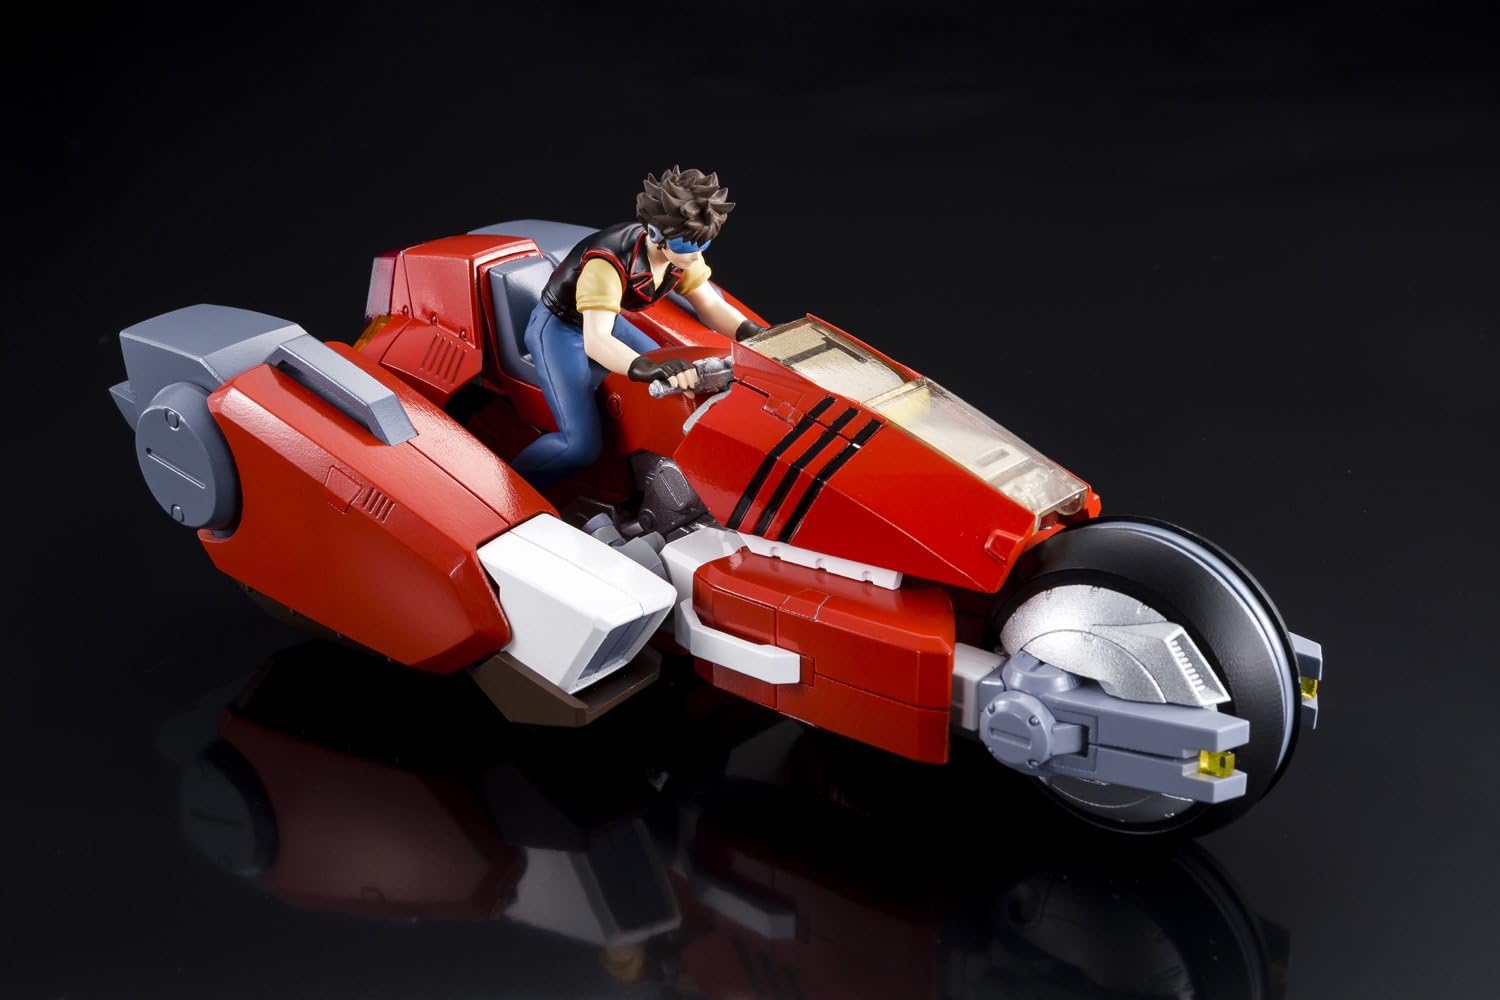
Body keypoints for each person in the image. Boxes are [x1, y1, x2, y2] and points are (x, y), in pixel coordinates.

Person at [512, 167, 767, 487]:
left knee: (682, 382)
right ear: (657, 235)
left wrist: (751, 332)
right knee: (578, 447)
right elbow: (596, 341)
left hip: (608, 320)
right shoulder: (607, 263)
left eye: (703, 246)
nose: (695, 256)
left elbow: (710, 305)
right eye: (688, 247)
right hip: (559, 328)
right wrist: (647, 367)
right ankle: (512, 488)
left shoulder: (682, 254)